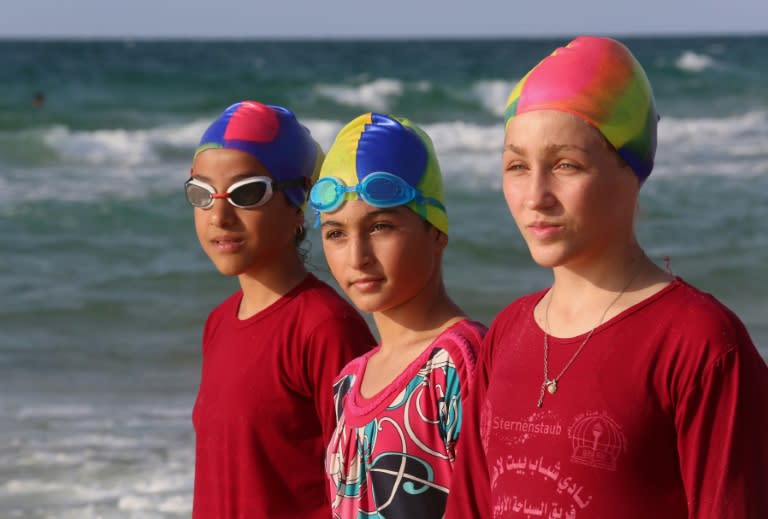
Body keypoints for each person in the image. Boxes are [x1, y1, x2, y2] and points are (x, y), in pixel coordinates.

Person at [445, 36, 768, 519]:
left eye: (565, 165)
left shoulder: (698, 342)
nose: (535, 195)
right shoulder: (507, 332)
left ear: (631, 169)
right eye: (516, 166)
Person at [186, 100, 376, 518]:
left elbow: (362, 490)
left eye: (246, 192)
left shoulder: (325, 328)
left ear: (298, 204)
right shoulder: (218, 323)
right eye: (202, 193)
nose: (219, 215)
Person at [310, 112, 487, 518]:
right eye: (335, 233)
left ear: (436, 231)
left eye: (381, 226)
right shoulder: (349, 383)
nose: (357, 257)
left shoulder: (457, 365)